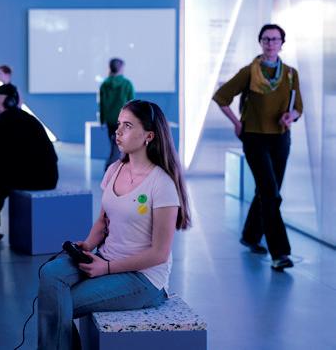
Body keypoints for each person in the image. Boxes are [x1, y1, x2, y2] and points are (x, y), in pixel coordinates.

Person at [37, 100, 191, 349]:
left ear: (149, 136)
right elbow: (103, 220)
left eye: (127, 126)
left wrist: (107, 268)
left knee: (59, 302)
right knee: (49, 274)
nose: (117, 131)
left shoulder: (162, 184)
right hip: (104, 258)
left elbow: (159, 254)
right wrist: (88, 245)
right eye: (119, 124)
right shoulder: (114, 170)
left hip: (143, 279)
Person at [213, 23, 303, 271]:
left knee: (267, 190)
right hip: (254, 138)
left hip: (280, 138)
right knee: (271, 193)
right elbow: (221, 97)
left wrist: (291, 116)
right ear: (260, 42)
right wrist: (236, 123)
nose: (270, 43)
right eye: (266, 39)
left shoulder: (290, 74)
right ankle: (280, 253)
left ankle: (251, 235)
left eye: (275, 39)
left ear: (282, 43)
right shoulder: (249, 72)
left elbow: (298, 108)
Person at [0, 83, 58, 243]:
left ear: (10, 102)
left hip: (40, 178)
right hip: (42, 175)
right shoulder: (15, 118)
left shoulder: (8, 121)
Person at [99, 58, 134, 170]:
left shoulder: (104, 85)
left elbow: (102, 105)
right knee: (119, 147)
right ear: (121, 68)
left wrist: (102, 120)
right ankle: (110, 169)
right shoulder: (127, 84)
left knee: (116, 145)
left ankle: (113, 169)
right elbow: (132, 104)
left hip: (110, 121)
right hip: (124, 121)